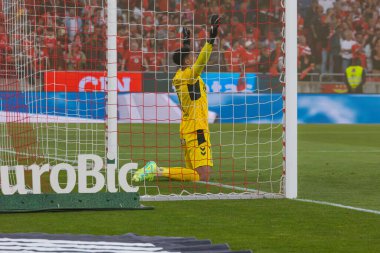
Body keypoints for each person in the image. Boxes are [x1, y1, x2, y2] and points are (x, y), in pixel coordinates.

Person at [132, 15, 220, 183]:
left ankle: (158, 170)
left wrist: (186, 40)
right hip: (197, 129)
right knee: (202, 176)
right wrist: (211, 38)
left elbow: (186, 57)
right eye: (191, 55)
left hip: (187, 128)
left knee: (191, 172)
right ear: (187, 60)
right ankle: (157, 170)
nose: (194, 57)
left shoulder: (180, 74)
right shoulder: (189, 74)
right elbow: (201, 61)